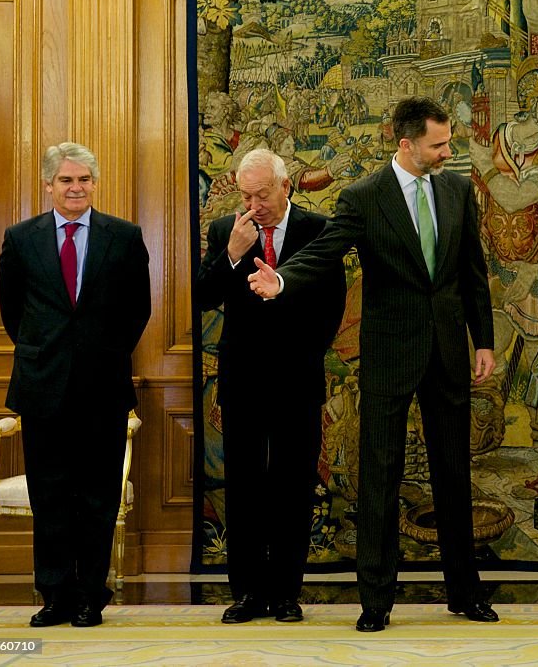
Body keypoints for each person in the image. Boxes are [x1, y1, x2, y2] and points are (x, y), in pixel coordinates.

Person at [247, 96, 498, 632]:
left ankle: (465, 592)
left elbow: (472, 270)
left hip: (449, 350)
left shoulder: (457, 189)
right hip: (389, 352)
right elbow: (326, 249)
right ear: (406, 143)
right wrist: (283, 278)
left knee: (453, 472)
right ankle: (376, 601)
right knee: (379, 476)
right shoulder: (365, 197)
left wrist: (484, 340)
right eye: (439, 143)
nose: (447, 151)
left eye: (447, 141)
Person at [0, 142, 151, 627]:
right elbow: (12, 313)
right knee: (51, 495)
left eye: (84, 179)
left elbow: (137, 309)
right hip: (42, 387)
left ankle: (90, 596)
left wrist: (103, 352)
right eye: (66, 180)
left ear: (94, 183)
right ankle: (54, 595)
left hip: (103, 387)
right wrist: (46, 351)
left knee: (97, 497)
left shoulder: (123, 236)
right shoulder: (21, 238)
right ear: (48, 185)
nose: (75, 188)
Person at [196, 149, 346, 624]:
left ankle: (285, 592)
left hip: (297, 379)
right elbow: (203, 296)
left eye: (262, 194)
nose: (253, 204)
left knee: (292, 487)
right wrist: (232, 255)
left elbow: (331, 307)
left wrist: (303, 355)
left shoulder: (316, 231)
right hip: (241, 382)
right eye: (246, 194)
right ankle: (245, 593)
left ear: (286, 187)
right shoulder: (227, 231)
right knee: (243, 488)